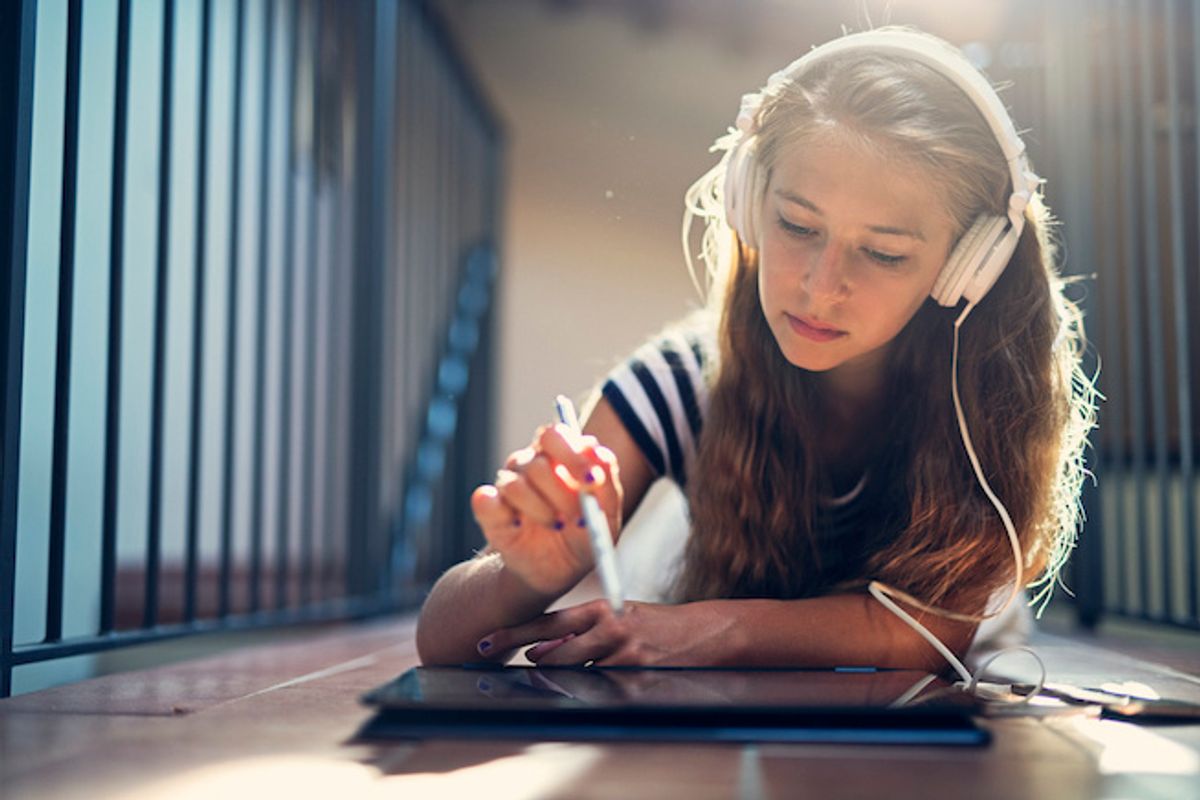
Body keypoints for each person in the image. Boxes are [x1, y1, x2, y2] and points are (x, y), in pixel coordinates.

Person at [415, 26, 1096, 673]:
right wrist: (521, 579)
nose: (820, 287)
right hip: (684, 569)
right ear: (747, 201)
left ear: (966, 268)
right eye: (797, 225)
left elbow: (924, 635)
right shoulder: (678, 382)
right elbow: (443, 639)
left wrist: (702, 628)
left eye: (883, 253)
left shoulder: (982, 401)